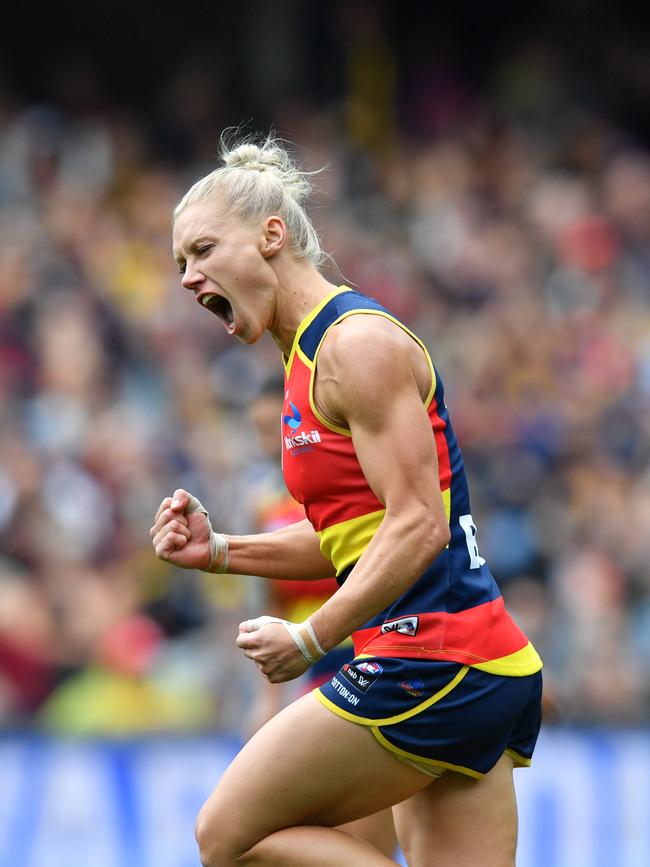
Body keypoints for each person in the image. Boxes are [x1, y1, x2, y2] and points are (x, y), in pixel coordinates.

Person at [150, 134, 543, 867]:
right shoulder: (302, 360)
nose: (187, 276)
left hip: (433, 659)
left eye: (202, 250)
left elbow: (418, 525)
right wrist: (222, 551)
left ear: (272, 236)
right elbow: (352, 537)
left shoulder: (354, 345)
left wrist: (310, 638)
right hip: (476, 664)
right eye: (180, 263)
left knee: (229, 838)